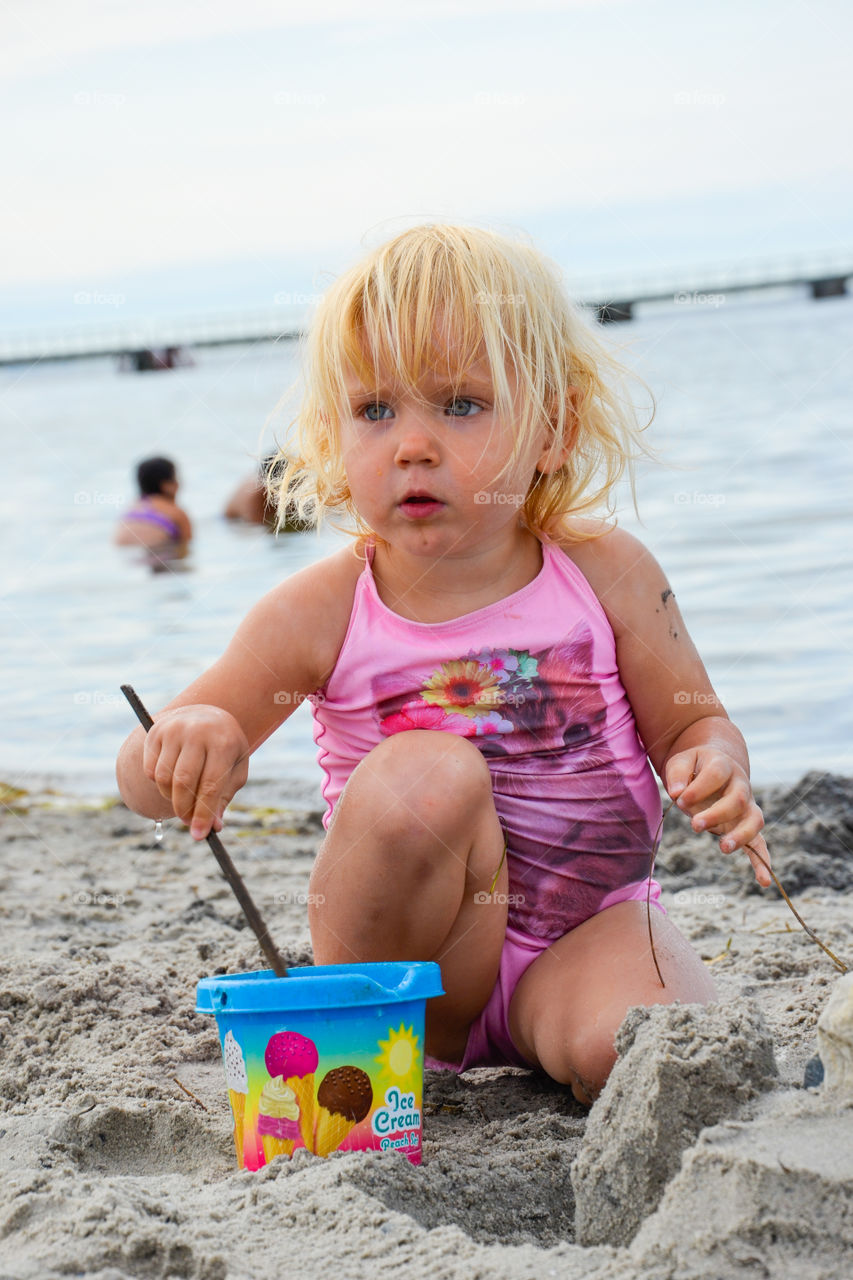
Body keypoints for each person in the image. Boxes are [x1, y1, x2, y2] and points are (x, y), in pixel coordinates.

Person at [116, 224, 769, 1104]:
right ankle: (370, 1048)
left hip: (587, 930)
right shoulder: (319, 610)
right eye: (375, 411)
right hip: (410, 967)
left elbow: (691, 720)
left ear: (552, 428)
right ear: (331, 440)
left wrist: (714, 762)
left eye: (460, 405)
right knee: (424, 773)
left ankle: (559, 1034)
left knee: (661, 1054)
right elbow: (148, 785)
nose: (412, 445)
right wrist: (189, 740)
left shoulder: (605, 573)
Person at [115, 456, 192, 557]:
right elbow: (186, 546)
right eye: (175, 479)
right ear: (167, 485)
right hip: (158, 551)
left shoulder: (132, 508)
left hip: (124, 554)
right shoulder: (176, 513)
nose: (178, 484)